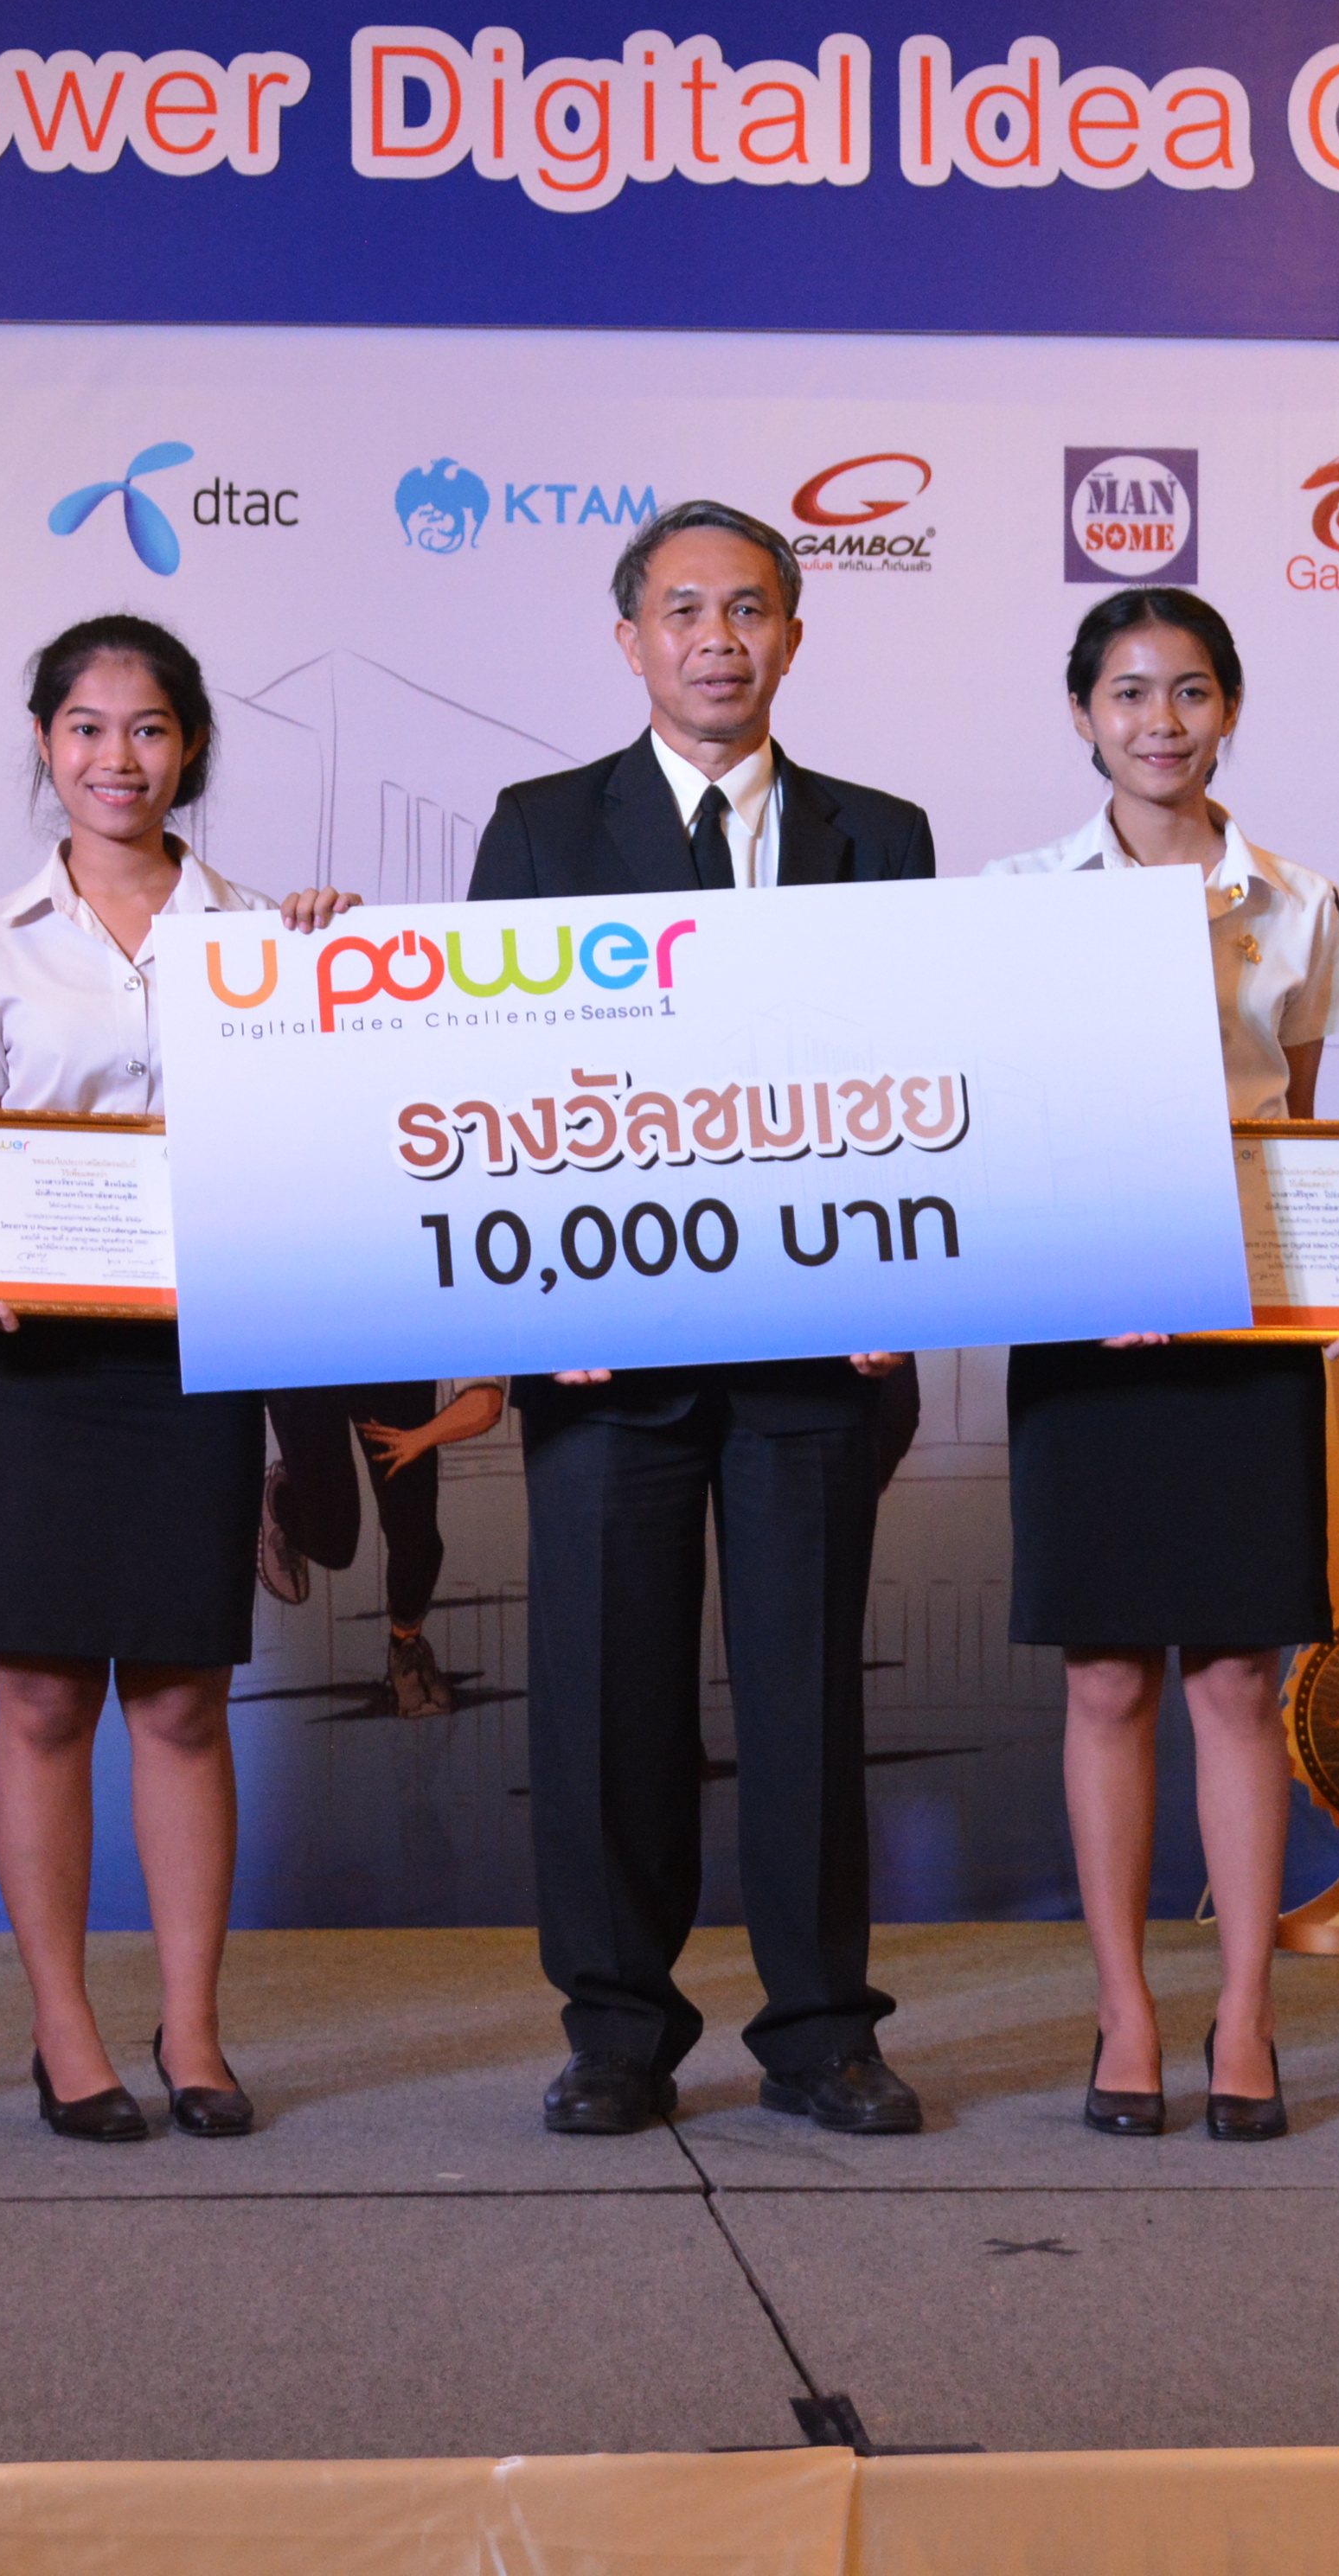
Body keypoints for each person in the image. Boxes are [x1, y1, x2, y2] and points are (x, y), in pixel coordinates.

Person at [468, 501, 939, 2138]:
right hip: (607, 1355)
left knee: (807, 1697)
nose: (717, 640)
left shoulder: (884, 834)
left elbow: (918, 1077)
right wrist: (539, 1289)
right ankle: (616, 2029)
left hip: (818, 1350)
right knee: (606, 1699)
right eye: (684, 610)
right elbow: (491, 1080)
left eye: (749, 609)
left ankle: (821, 2032)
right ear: (631, 640)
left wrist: (904, 1279)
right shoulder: (540, 826)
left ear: (793, 635)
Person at [0, 615, 358, 2142]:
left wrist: (339, 971)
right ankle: (64, 2030)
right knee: (42, 1699)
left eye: (151, 728)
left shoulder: (261, 934)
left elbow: (322, 1122)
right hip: (34, 1369)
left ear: (193, 749)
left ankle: (193, 2028)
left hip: (195, 1358)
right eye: (89, 728)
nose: (120, 758)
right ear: (48, 745)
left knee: (180, 1700)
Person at [983, 588, 1339, 2144]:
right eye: (1130, 693)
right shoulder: (1018, 900)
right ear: (1082, 713)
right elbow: (1000, 1118)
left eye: (1192, 692)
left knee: (1235, 1677)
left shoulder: (1299, 898)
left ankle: (1244, 2013)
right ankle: (1125, 2012)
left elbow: (1305, 1126)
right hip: (1086, 1324)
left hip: (1238, 1331)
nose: (1161, 723)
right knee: (1103, 1676)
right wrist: (1093, 1263)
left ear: (1230, 707)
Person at [255, 1379, 508, 1714]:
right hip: (306, 1363)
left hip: (392, 1365)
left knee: (415, 1530)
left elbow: (487, 1403)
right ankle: (280, 1500)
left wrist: (420, 1438)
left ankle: (407, 1643)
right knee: (333, 1544)